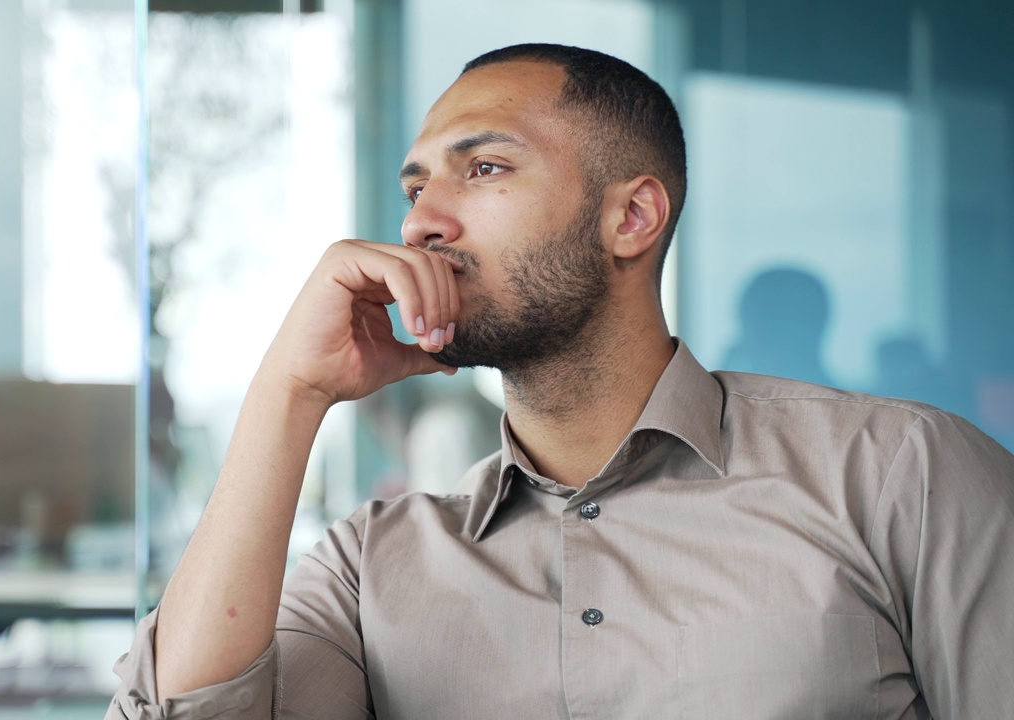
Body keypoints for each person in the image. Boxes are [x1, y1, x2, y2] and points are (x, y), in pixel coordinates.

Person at [106, 44, 1014, 718]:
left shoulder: (906, 475)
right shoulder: (367, 569)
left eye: (485, 168)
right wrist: (289, 393)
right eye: (414, 188)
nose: (422, 223)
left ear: (633, 217)